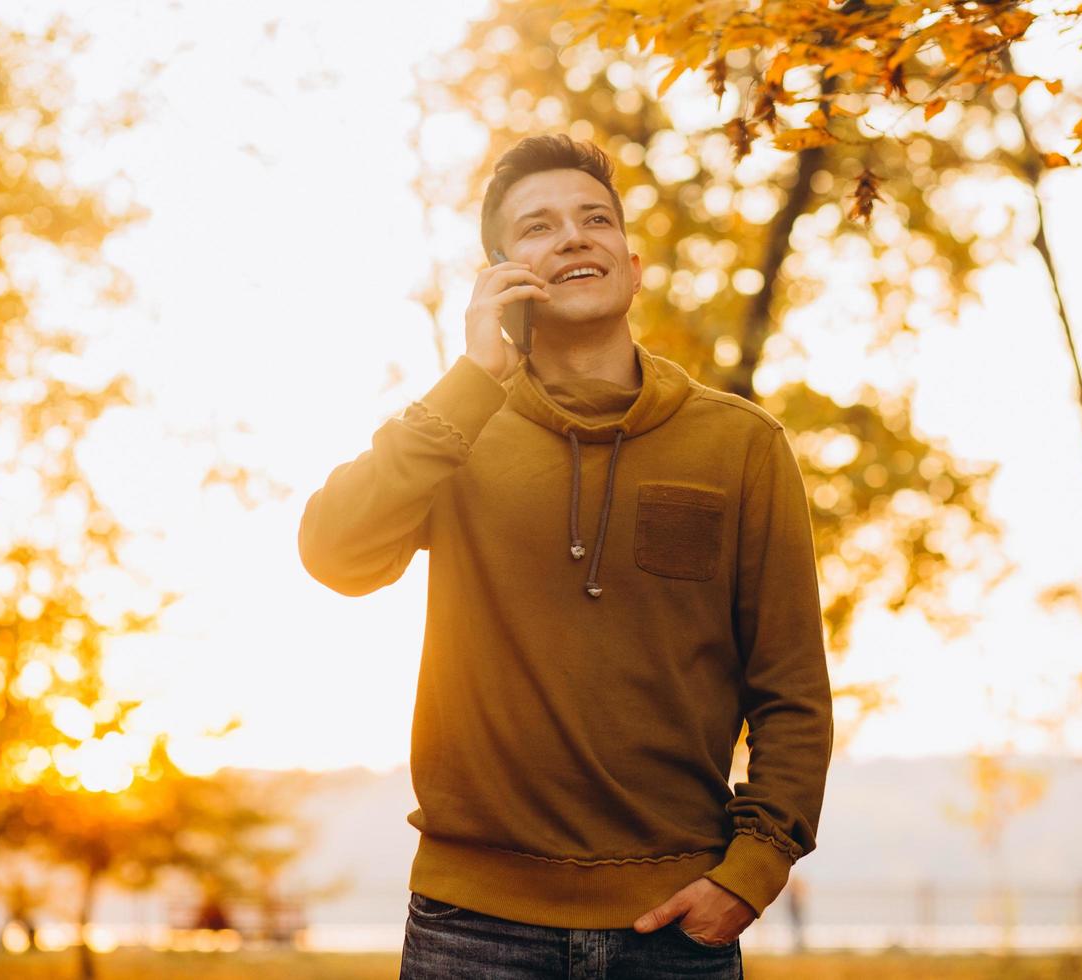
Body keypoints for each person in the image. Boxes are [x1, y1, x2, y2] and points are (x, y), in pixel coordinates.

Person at [298, 134, 833, 979]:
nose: (576, 237)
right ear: (501, 273)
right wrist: (473, 378)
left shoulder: (741, 445)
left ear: (632, 260)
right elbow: (336, 553)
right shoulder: (455, 429)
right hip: (471, 927)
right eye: (540, 226)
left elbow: (792, 690)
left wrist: (751, 874)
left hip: (674, 931)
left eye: (596, 219)